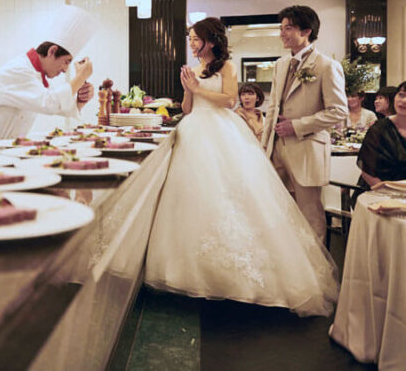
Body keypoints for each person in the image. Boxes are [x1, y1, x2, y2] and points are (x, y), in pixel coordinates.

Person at [143, 17, 339, 317]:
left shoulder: (227, 67)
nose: (192, 43)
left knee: (231, 195)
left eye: (196, 38)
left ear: (211, 40)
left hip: (220, 132)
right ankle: (190, 270)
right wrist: (187, 89)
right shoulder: (193, 69)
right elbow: (187, 109)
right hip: (193, 131)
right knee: (191, 197)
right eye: (191, 38)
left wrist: (199, 87)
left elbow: (229, 100)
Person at [0, 5, 98, 154]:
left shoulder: (36, 76)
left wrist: (80, 100)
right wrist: (80, 77)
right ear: (52, 51)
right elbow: (50, 103)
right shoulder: (18, 70)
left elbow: (59, 105)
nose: (66, 69)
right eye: (66, 61)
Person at [261, 6, 348, 243]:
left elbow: (339, 111)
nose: (282, 33)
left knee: (310, 215)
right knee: (277, 211)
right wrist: (264, 145)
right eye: (281, 28)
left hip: (307, 149)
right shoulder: (280, 64)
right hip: (277, 149)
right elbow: (273, 109)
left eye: (288, 28)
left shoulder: (327, 66)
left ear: (307, 31)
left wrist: (297, 125)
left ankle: (316, 275)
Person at [356, 81, 406, 189]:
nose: (404, 101)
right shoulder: (380, 129)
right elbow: (367, 170)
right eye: (401, 95)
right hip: (380, 192)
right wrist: (387, 193)